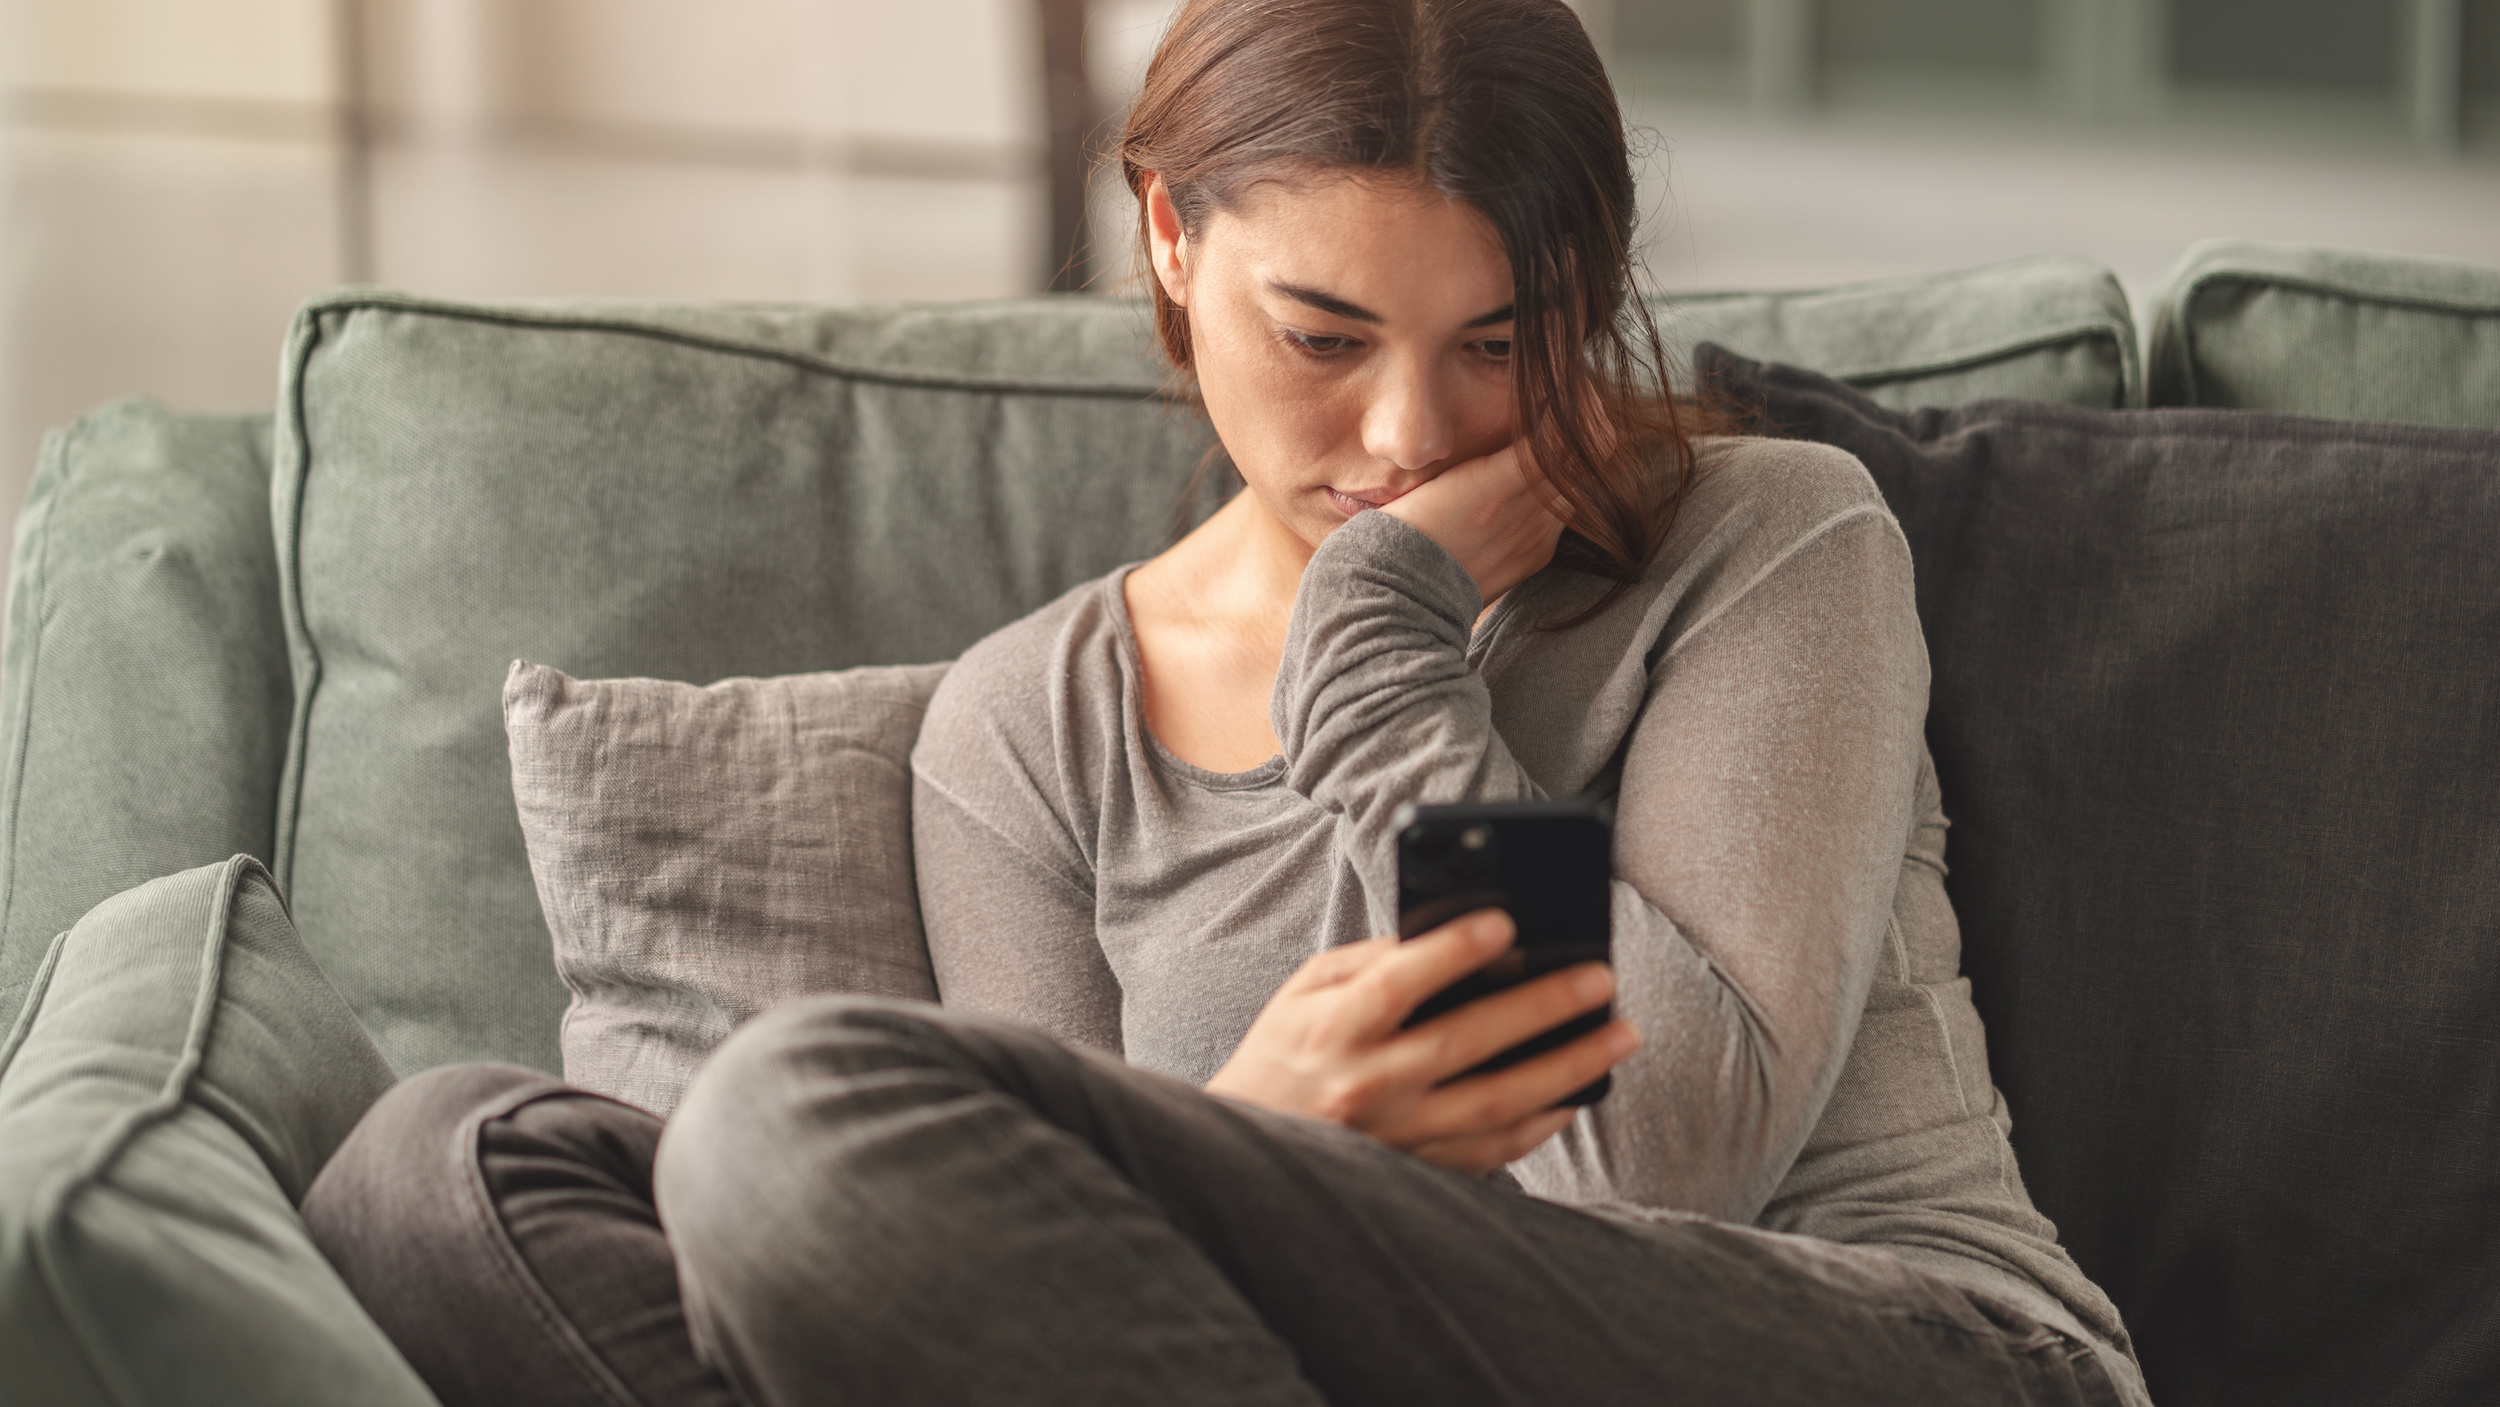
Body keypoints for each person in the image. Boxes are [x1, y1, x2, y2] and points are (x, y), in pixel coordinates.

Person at [305, 1, 2148, 1403]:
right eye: (1327, 337)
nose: (1413, 434)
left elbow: (1644, 1157)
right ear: (1173, 237)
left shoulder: (1765, 540)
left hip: (1888, 1344)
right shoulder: (1032, 729)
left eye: (1502, 343)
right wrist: (1267, 1114)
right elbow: (1032, 1298)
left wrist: (1381, 634)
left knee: (799, 1125)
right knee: (442, 1176)